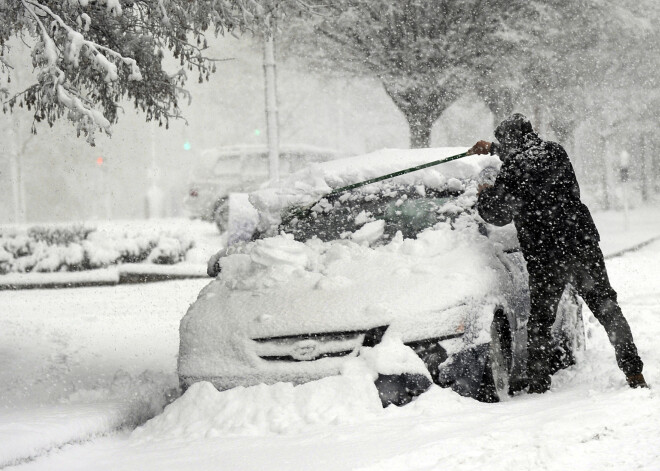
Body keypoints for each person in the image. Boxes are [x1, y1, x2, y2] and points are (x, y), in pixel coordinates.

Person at [467, 113, 647, 393]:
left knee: (541, 321)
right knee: (607, 309)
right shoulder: (555, 151)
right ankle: (634, 372)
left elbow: (497, 215)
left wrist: (485, 194)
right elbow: (529, 161)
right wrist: (492, 149)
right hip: (581, 244)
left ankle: (539, 383)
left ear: (511, 141)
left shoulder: (513, 170)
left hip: (546, 255)